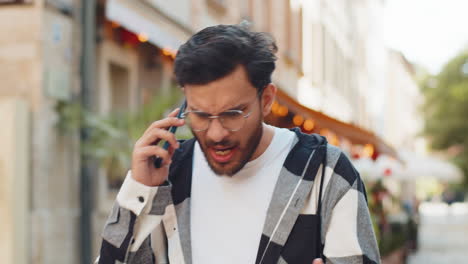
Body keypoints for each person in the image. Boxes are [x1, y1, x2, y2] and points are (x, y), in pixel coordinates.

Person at [95, 23, 380, 264]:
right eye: (201, 114)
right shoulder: (170, 172)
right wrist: (140, 189)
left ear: (266, 99)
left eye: (233, 113)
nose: (216, 133)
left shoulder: (325, 172)